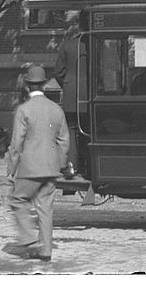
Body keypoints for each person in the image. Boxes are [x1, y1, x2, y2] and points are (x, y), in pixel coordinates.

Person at [3, 64, 70, 263]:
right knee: (45, 208)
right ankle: (46, 251)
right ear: (44, 85)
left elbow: (16, 143)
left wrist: (11, 168)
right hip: (51, 168)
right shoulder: (56, 109)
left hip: (30, 168)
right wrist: (60, 164)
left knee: (17, 200)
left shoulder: (24, 110)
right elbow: (64, 141)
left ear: (27, 86)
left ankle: (29, 238)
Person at [52, 13, 87, 178]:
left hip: (71, 94)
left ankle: (72, 166)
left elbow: (58, 71)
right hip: (90, 95)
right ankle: (88, 167)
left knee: (72, 131)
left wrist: (68, 85)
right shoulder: (95, 43)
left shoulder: (68, 45)